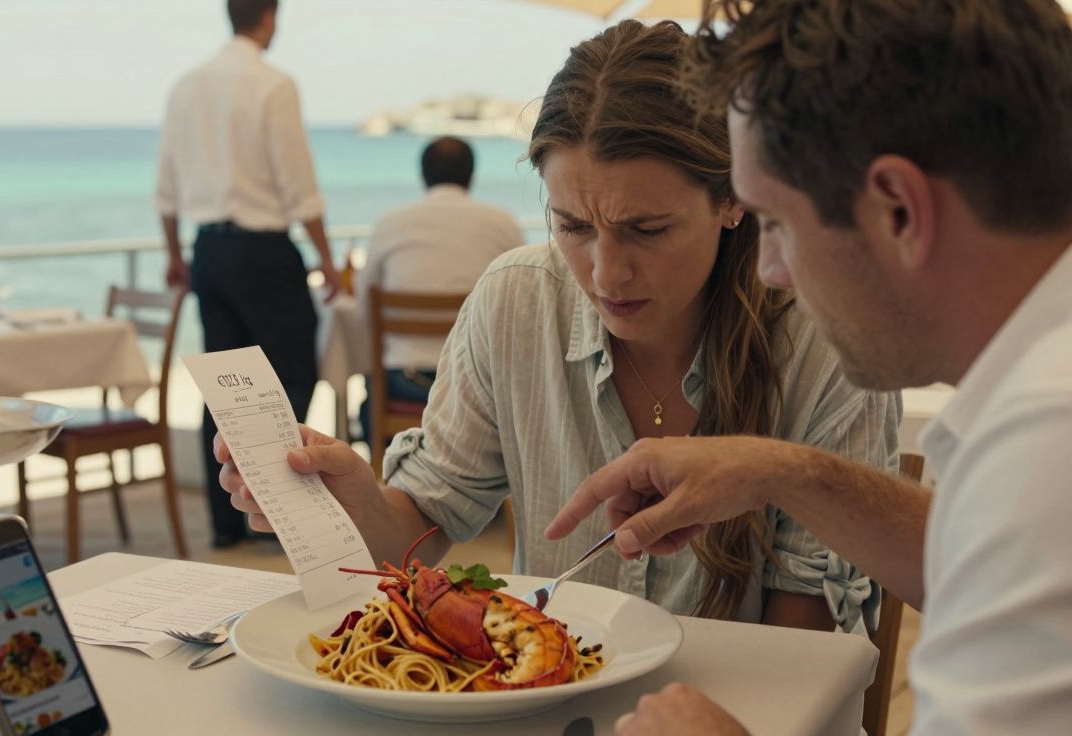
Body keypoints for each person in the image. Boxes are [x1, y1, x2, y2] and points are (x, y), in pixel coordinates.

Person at [218, 20, 901, 632]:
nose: (606, 275)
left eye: (647, 229)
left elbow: (800, 646)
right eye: (572, 226)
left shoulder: (823, 339)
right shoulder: (516, 302)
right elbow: (418, 528)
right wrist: (352, 505)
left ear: (731, 199)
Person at [545, 1, 1072, 733]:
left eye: (776, 224)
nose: (772, 272)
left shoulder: (1066, 440)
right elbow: (985, 555)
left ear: (899, 210)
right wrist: (781, 472)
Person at [155, 0, 341, 547]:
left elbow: (166, 185)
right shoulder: (273, 84)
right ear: (269, 17)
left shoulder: (186, 86)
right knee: (289, 381)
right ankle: (271, 516)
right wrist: (328, 259)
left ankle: (225, 523)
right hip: (263, 253)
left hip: (208, 252)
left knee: (222, 391)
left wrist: (174, 255)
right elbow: (298, 183)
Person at [354, 136, 524, 447]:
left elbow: (364, 305)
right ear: (472, 175)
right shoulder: (502, 224)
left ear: (423, 175)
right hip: (477, 383)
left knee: (367, 397)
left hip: (403, 383)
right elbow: (522, 302)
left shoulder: (390, 223)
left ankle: (385, 475)